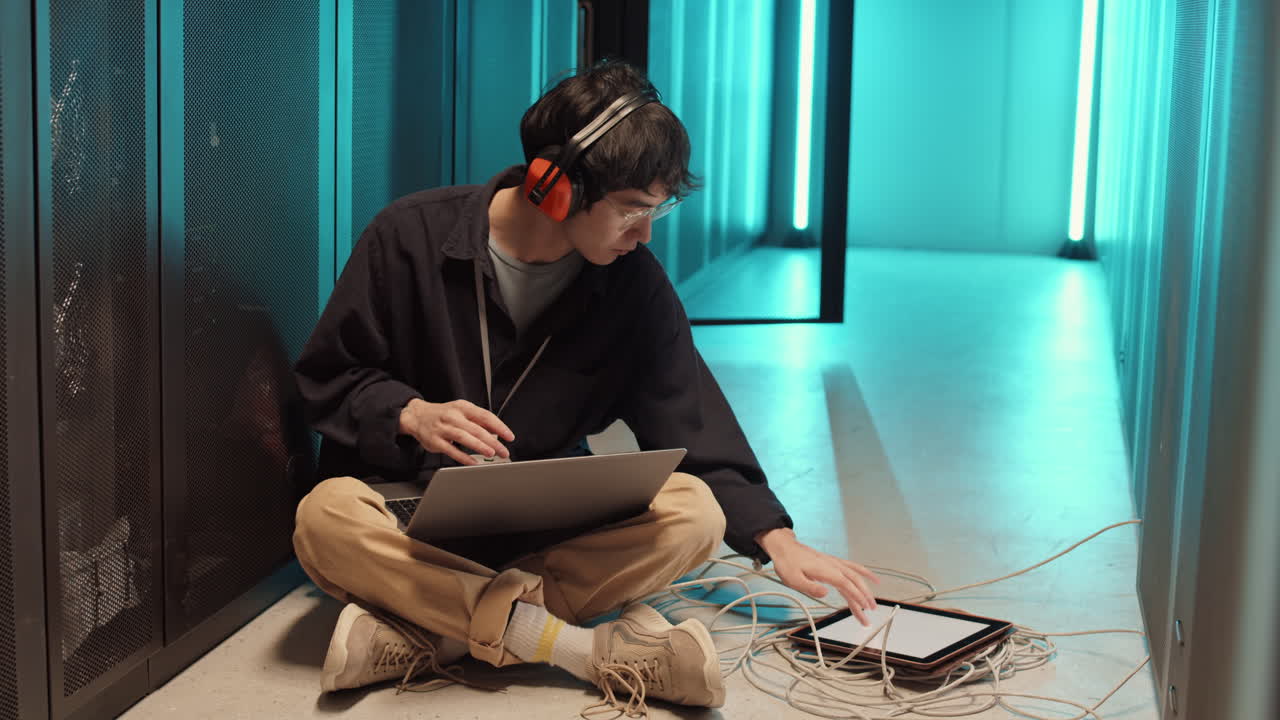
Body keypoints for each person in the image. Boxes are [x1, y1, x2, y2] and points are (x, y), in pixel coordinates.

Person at [290, 59, 879, 711]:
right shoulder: (408, 236)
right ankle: (578, 649)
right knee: (324, 519)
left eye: (657, 211)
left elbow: (694, 426)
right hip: (412, 511)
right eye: (631, 211)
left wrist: (778, 540)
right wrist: (411, 414)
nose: (645, 234)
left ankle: (434, 629)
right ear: (555, 190)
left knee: (696, 514)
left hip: (543, 529)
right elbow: (329, 377)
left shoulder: (634, 284)